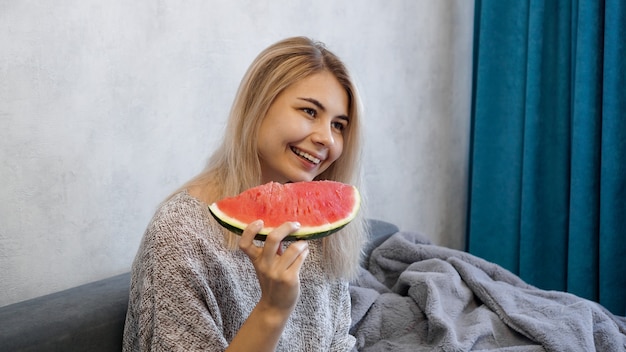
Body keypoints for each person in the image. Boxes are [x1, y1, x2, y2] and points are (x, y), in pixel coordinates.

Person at [123, 36, 368, 351]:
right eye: (309, 111)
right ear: (258, 104)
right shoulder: (180, 231)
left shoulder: (318, 227)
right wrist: (273, 308)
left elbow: (337, 342)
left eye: (339, 125)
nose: (326, 139)